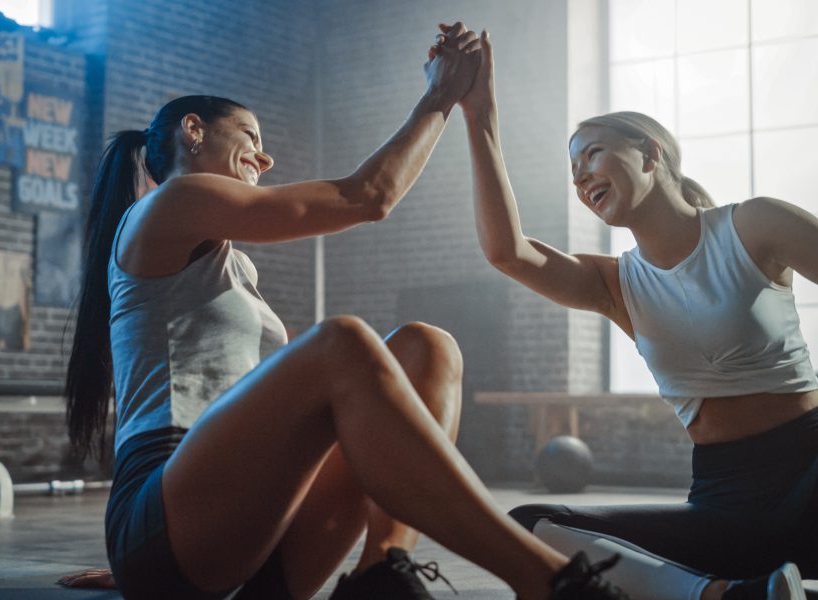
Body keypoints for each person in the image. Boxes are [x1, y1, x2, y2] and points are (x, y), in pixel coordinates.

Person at [62, 23, 633, 600]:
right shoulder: (169, 204)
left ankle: (383, 571)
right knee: (341, 342)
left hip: (245, 531)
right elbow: (370, 197)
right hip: (165, 515)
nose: (266, 154)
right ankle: (546, 580)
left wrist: (472, 106)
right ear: (193, 131)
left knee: (426, 347)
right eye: (249, 136)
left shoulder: (236, 272)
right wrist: (437, 97)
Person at [446, 22, 818, 600]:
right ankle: (725, 595)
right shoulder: (615, 283)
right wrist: (478, 114)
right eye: (573, 171)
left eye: (592, 154)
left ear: (650, 154)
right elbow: (507, 251)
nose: (582, 176)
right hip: (724, 505)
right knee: (531, 528)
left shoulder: (756, 226)